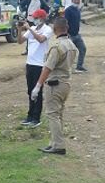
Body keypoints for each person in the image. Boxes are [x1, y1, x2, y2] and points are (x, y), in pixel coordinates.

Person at [31, 18, 75, 155]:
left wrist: (37, 86)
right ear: (67, 28)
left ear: (55, 30)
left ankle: (58, 145)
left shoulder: (57, 47)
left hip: (54, 84)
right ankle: (55, 142)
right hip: (65, 83)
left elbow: (48, 68)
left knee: (52, 114)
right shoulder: (71, 44)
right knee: (58, 114)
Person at [17, 8, 52, 127]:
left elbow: (41, 40)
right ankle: (30, 115)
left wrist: (30, 29)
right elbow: (20, 41)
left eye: (36, 18)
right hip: (30, 63)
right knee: (30, 90)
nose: (35, 20)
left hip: (40, 64)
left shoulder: (47, 29)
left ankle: (36, 117)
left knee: (37, 91)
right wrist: (19, 30)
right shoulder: (32, 28)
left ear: (42, 18)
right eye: (34, 18)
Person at [63, 0, 88, 73]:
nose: (77, 1)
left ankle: (79, 66)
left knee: (83, 49)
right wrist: (66, 34)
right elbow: (65, 22)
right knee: (69, 52)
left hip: (77, 34)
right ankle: (66, 68)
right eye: (75, 0)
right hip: (70, 35)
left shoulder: (77, 10)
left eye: (78, 0)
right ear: (72, 0)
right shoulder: (68, 10)